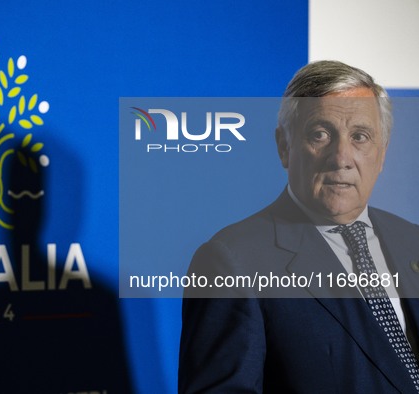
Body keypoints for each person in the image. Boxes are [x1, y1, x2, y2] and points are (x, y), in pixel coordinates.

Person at [179, 60, 419, 393]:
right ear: (284, 146)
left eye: (360, 136)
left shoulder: (412, 241)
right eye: (320, 134)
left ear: (382, 153)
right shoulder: (233, 261)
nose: (341, 157)